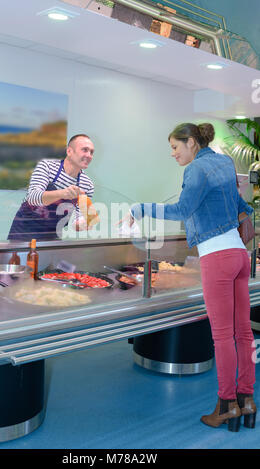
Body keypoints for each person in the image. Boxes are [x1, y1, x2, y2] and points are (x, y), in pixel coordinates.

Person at [127, 122, 257, 432]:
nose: (173, 154)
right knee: (243, 333)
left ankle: (226, 406)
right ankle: (247, 400)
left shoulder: (196, 169)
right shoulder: (225, 162)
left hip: (217, 257)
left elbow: (182, 210)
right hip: (239, 255)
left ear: (191, 143)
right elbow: (244, 208)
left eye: (175, 147)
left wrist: (139, 208)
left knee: (222, 336)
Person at [8, 134, 95, 241]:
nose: (89, 155)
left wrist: (82, 224)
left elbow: (77, 219)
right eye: (85, 150)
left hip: (52, 236)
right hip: (24, 231)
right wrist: (62, 193)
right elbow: (33, 197)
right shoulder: (47, 167)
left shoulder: (87, 184)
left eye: (91, 152)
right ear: (69, 151)